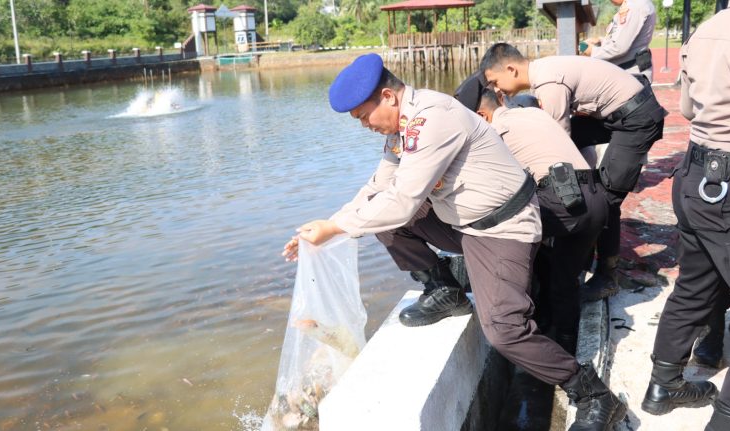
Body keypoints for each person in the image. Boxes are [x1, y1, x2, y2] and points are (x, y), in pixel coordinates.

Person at [282, 53, 626, 430]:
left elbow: (402, 200)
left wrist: (335, 228)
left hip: (502, 228)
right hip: (465, 224)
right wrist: (327, 226)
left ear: (388, 97)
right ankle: (445, 290)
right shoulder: (402, 129)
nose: (365, 126)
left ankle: (593, 394)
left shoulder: (432, 118)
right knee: (387, 223)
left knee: (505, 331)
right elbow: (379, 188)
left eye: (364, 116)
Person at [480, 44, 666, 302]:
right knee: (584, 180)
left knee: (606, 196)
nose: (496, 89)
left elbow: (557, 142)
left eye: (494, 81)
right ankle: (584, 249)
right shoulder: (544, 71)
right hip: (614, 114)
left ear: (511, 69)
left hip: (636, 118)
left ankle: (607, 276)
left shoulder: (548, 83)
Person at [453, 73, 608, 354]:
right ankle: (566, 344)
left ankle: (539, 330)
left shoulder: (492, 134)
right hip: (595, 199)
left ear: (480, 116)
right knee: (564, 278)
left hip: (561, 201)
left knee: (510, 237)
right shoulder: (533, 114)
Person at [642, 6, 730, 430]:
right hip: (727, 175)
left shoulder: (707, 29)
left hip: (696, 174)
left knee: (695, 286)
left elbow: (689, 109)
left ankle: (663, 386)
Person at [581, 0, 657, 82]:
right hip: (629, 74)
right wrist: (601, 41)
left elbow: (619, 48)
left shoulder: (635, 6)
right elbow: (620, 38)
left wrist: (592, 51)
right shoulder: (633, 4)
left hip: (631, 76)